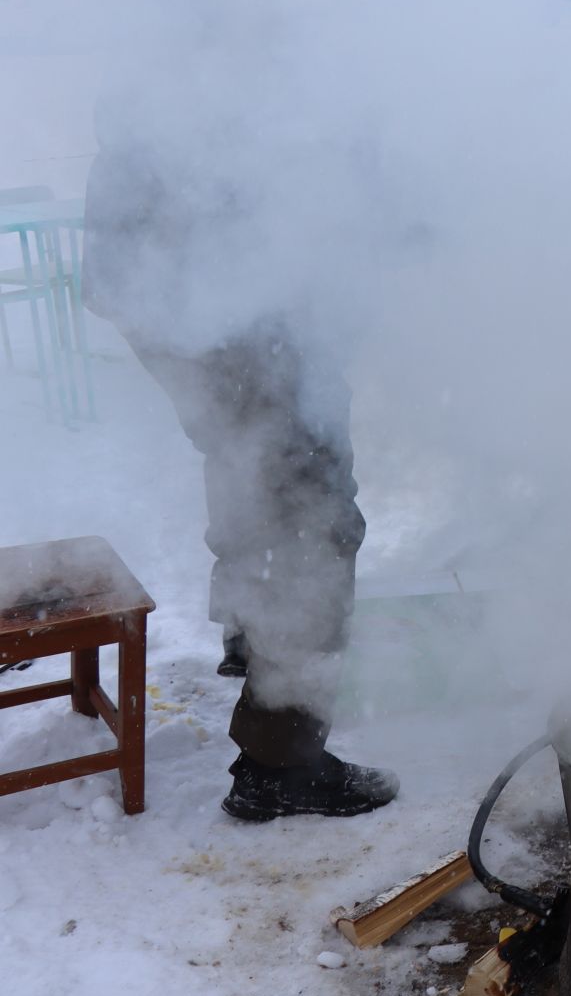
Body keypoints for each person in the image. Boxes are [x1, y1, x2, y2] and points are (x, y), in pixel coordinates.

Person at [85, 46, 398, 822]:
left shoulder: (192, 53)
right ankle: (281, 761)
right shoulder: (253, 71)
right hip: (244, 324)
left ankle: (248, 639)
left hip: (188, 317)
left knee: (244, 469)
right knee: (316, 522)